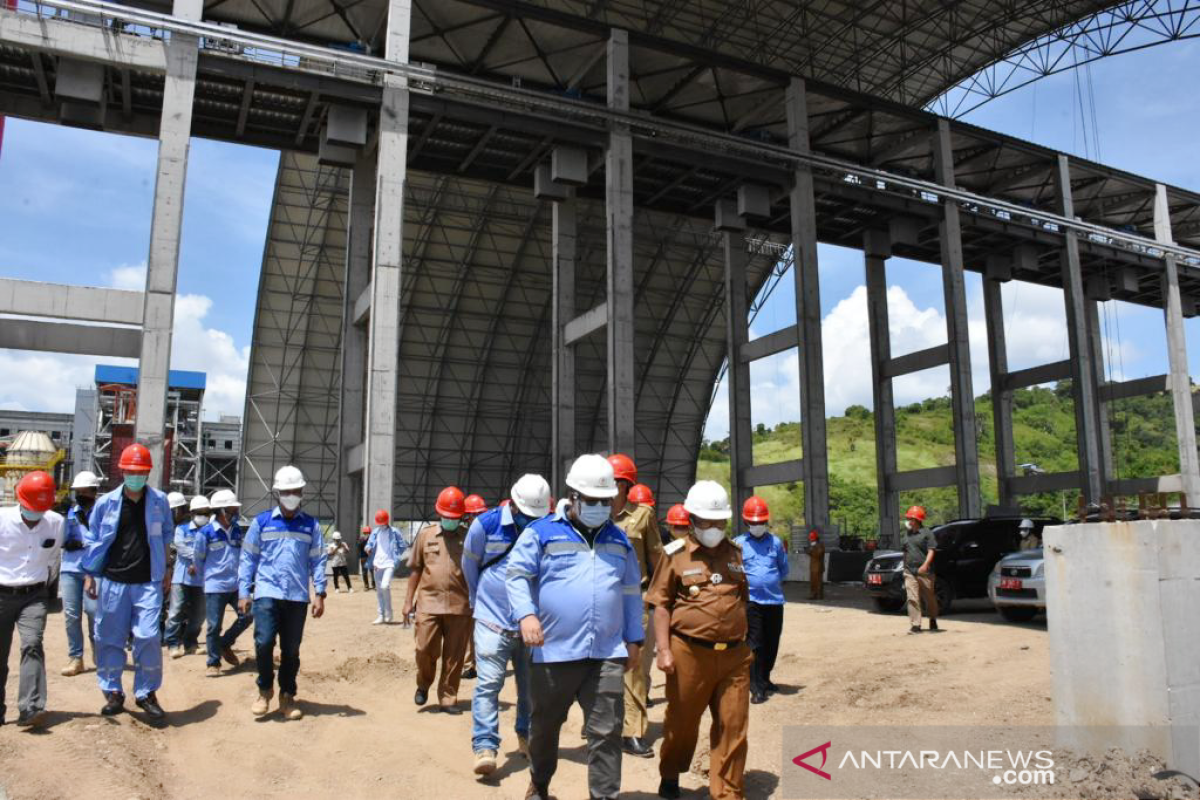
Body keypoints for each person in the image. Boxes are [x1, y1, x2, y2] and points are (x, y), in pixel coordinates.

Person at [507, 454, 644, 800]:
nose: (601, 507)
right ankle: (539, 784)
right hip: (553, 651)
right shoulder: (541, 533)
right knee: (545, 727)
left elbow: (630, 592)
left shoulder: (619, 540)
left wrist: (635, 639)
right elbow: (517, 575)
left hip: (606, 652)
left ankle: (604, 795)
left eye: (606, 501)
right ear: (574, 495)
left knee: (606, 733)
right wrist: (526, 615)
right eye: (593, 500)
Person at [648, 480, 751, 800]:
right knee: (681, 724)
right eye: (707, 522)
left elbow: (742, 599)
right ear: (692, 520)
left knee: (733, 728)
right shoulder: (674, 555)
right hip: (688, 653)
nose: (714, 528)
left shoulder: (735, 552)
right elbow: (661, 605)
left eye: (720, 521)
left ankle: (728, 793)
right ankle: (670, 774)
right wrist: (663, 650)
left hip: (734, 656)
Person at [461, 476, 547, 775]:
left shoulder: (545, 527)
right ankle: (485, 745)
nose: (530, 521)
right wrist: (482, 600)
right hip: (491, 620)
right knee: (488, 684)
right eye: (526, 514)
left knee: (530, 688)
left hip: (531, 624)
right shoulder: (485, 525)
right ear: (513, 503)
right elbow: (470, 567)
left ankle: (525, 734)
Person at [81, 443, 172, 723]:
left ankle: (146, 693)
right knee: (109, 638)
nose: (135, 476)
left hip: (147, 582)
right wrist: (89, 574)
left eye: (141, 471)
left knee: (148, 636)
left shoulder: (159, 502)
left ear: (148, 473)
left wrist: (167, 569)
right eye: (131, 471)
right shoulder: (106, 503)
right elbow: (93, 541)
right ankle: (113, 692)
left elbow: (167, 535)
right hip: (113, 582)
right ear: (122, 471)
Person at [238, 465, 328, 720]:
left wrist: (319, 593)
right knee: (264, 642)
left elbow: (318, 560)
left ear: (301, 492)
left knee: (291, 650)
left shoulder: (311, 525)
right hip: (267, 592)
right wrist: (244, 591)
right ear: (278, 493)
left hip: (297, 597)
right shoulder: (262, 522)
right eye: (286, 491)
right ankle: (265, 689)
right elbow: (248, 558)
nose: (291, 495)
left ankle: (287, 696)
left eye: (295, 491)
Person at [607, 453, 663, 760]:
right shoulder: (593, 516)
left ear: (627, 485)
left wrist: (660, 598)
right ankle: (601, 723)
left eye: (616, 482)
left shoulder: (642, 516)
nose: (610, 488)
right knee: (598, 665)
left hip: (633, 601)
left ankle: (634, 732)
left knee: (634, 668)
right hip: (601, 601)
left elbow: (657, 559)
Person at [0, 471, 63, 727]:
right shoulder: (2, 520)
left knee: (33, 644)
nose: (35, 514)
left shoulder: (56, 523)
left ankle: (31, 707)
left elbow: (53, 558)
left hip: (35, 595)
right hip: (2, 593)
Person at [402, 487, 471, 714]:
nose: (450, 521)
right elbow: (415, 570)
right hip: (429, 603)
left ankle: (448, 697)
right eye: (446, 517)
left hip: (460, 605)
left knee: (455, 655)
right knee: (424, 648)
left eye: (454, 517)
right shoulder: (426, 536)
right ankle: (423, 684)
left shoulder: (469, 537)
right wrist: (407, 601)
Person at [733, 496, 787, 705]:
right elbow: (735, 572)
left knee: (772, 642)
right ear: (747, 522)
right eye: (753, 523)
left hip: (774, 601)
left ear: (766, 521)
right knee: (755, 643)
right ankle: (756, 687)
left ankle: (765, 678)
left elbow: (783, 569)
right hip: (752, 601)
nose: (757, 526)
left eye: (761, 522)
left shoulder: (776, 543)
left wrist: (769, 582)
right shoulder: (738, 544)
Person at [194, 490, 251, 677]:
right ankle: (213, 661)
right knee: (213, 626)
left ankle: (225, 643)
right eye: (232, 509)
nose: (235, 511)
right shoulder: (206, 533)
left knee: (249, 614)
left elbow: (242, 555)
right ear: (222, 510)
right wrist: (208, 581)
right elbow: (199, 560)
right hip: (215, 587)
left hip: (235, 585)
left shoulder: (236, 530)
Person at [60, 470, 99, 677]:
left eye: (84, 491)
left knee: (93, 612)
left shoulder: (101, 512)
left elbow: (102, 540)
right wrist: (63, 518)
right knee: (71, 615)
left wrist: (84, 542)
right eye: (78, 491)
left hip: (93, 569)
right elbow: (62, 540)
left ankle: (97, 650)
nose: (80, 494)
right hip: (70, 568)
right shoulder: (71, 512)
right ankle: (76, 657)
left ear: (93, 492)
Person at [164, 494, 209, 659]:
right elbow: (181, 548)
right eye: (199, 512)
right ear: (191, 513)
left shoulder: (210, 530)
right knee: (176, 611)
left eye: (206, 512)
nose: (203, 515)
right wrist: (198, 558)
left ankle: (191, 643)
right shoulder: (181, 529)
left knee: (199, 614)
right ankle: (173, 643)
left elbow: (212, 550)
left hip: (201, 579)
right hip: (182, 578)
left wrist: (197, 561)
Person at [460, 493, 488, 681]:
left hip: (482, 589)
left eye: (478, 514)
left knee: (480, 629)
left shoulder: (488, 532)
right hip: (463, 589)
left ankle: (476, 665)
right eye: (473, 515)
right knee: (467, 630)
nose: (475, 518)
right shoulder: (461, 535)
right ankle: (471, 663)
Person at [902, 505, 939, 634]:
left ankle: (933, 618)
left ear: (917, 519)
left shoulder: (927, 533)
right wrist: (904, 566)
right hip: (909, 570)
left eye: (910, 518)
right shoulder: (907, 534)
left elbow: (931, 550)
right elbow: (905, 551)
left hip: (925, 571)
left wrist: (925, 565)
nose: (908, 521)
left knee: (929, 597)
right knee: (912, 598)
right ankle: (915, 625)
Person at [365, 510, 404, 624]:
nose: (381, 524)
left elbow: (402, 545)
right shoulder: (375, 532)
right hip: (377, 563)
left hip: (389, 563)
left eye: (382, 522)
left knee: (385, 586)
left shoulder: (395, 532)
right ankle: (381, 615)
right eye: (379, 523)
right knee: (379, 591)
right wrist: (368, 548)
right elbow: (369, 544)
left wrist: (396, 555)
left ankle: (389, 612)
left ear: (387, 521)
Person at [807, 529, 825, 600]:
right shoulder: (813, 546)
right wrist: (809, 550)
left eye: (812, 539)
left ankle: (819, 596)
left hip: (818, 567)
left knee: (818, 582)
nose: (811, 540)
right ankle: (813, 595)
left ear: (815, 539)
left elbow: (818, 554)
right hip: (813, 567)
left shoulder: (820, 545)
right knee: (813, 582)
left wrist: (811, 550)